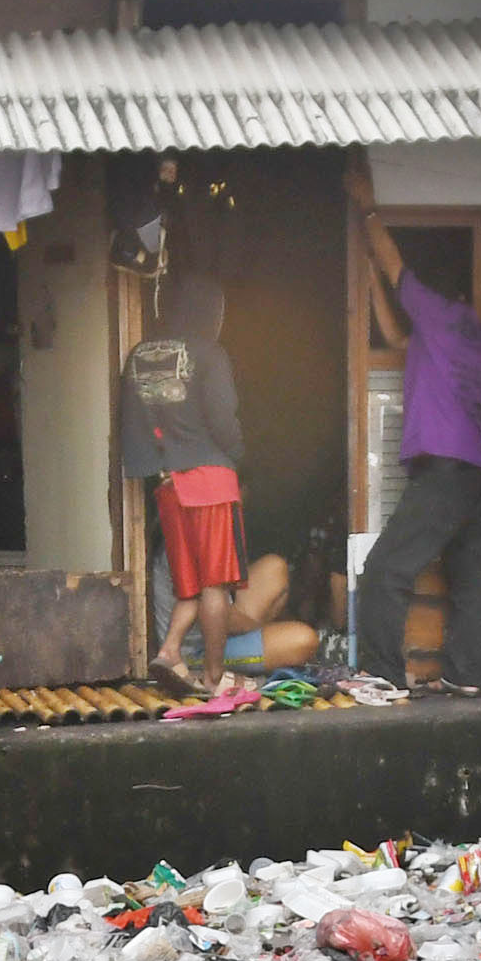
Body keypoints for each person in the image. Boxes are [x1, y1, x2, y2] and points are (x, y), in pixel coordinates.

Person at [348, 161, 481, 694]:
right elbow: (395, 335)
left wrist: (367, 208)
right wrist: (369, 280)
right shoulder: (466, 332)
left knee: (385, 571)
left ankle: (383, 675)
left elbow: (396, 265)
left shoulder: (436, 313)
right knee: (466, 583)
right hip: (474, 472)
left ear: (433, 291)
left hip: (444, 469)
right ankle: (466, 676)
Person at [115, 271, 245, 691]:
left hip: (167, 482)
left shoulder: (139, 354)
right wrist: (239, 454)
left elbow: (133, 420)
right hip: (209, 479)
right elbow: (223, 420)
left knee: (188, 584)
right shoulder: (210, 353)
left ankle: (169, 652)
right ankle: (213, 676)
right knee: (215, 585)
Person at [198, 552, 324, 676]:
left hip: (224, 628)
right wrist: (265, 631)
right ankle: (261, 647)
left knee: (274, 565)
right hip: (203, 652)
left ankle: (262, 643)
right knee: (304, 640)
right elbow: (220, 619)